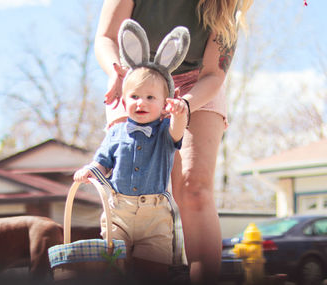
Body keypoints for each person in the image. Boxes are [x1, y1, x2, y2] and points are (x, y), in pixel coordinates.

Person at [94, 0, 253, 284]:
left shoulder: (225, 5)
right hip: (134, 80)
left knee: (194, 188)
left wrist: (184, 106)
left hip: (195, 85)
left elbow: (214, 74)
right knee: (129, 186)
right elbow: (106, 37)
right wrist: (116, 73)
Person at [74, 20, 190, 282]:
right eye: (135, 96)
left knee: (152, 271)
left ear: (164, 105)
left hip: (154, 216)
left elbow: (178, 129)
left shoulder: (165, 131)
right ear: (124, 101)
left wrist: (180, 112)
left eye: (151, 98)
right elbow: (102, 161)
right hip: (119, 213)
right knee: (115, 268)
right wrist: (90, 171)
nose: (142, 102)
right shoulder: (116, 131)